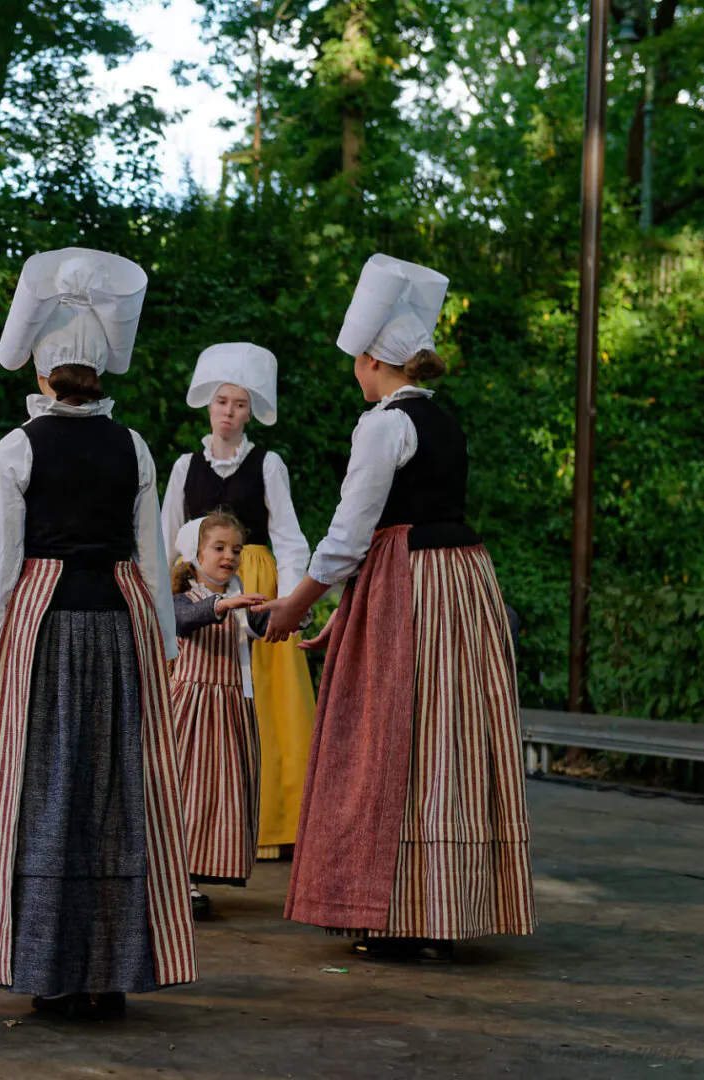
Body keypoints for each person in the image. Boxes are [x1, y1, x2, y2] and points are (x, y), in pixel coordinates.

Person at [258, 253, 536, 962]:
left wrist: (294, 606)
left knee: (390, 738)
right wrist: (341, 618)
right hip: (461, 582)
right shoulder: (443, 422)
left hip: (406, 584)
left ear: (369, 361)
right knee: (443, 740)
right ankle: (441, 906)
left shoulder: (382, 426)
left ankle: (391, 912)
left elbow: (349, 539)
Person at [0, 248, 197, 1019]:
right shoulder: (135, 446)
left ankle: (48, 969)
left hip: (43, 622)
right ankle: (111, 971)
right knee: (119, 790)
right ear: (99, 371)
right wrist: (159, 644)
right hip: (118, 618)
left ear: (41, 367)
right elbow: (152, 559)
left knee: (43, 788)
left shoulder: (17, 447)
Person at [162, 343, 314, 861]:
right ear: (209, 404)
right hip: (200, 588)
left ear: (252, 412)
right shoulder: (186, 466)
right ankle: (204, 822)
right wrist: (162, 600)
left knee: (271, 701)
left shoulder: (268, 464)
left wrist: (292, 601)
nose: (229, 411)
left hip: (256, 588)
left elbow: (290, 537)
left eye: (240, 404)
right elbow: (166, 536)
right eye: (223, 401)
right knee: (204, 701)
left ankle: (275, 819)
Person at [169, 513, 268, 919]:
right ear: (195, 556)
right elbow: (182, 620)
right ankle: (179, 880)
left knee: (218, 795)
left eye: (236, 549)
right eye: (219, 548)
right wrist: (222, 604)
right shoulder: (183, 600)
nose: (230, 556)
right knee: (187, 791)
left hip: (229, 710)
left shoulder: (241, 599)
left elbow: (266, 623)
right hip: (192, 710)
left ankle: (198, 869)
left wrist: (294, 613)